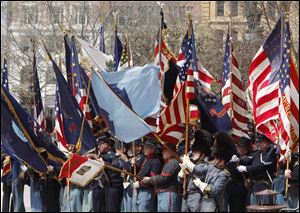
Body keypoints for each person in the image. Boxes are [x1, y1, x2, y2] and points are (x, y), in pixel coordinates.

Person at [181, 132, 235, 212]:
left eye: (216, 159)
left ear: (222, 159)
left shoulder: (224, 175)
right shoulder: (212, 167)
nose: (214, 160)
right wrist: (188, 164)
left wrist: (200, 184)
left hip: (214, 204)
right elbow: (198, 170)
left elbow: (214, 190)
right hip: (205, 203)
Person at [178, 129, 213, 212]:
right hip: (186, 194)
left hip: (198, 195)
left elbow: (200, 174)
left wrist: (190, 166)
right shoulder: (190, 163)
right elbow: (179, 180)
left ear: (203, 154)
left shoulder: (207, 165)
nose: (193, 154)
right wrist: (182, 172)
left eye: (196, 152)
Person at [237, 133, 277, 205]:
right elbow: (247, 159)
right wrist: (237, 159)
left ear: (266, 143)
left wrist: (246, 168)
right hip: (254, 186)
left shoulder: (271, 153)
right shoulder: (257, 153)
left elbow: (263, 165)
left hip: (264, 186)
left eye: (261, 142)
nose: (259, 144)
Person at [142, 143, 181, 212]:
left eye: (165, 150)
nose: (162, 152)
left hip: (168, 193)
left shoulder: (173, 162)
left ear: (171, 151)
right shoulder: (168, 162)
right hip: (163, 194)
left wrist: (149, 179)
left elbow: (163, 178)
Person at [132, 137, 163, 212]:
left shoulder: (156, 162)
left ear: (153, 149)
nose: (144, 149)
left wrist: (139, 184)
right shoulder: (145, 159)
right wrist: (133, 165)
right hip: (139, 189)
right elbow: (136, 173)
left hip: (147, 191)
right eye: (144, 147)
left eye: (147, 147)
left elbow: (152, 180)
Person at [225, 137, 252, 212]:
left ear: (245, 149)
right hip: (231, 187)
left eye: (240, 147)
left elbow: (246, 162)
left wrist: (238, 161)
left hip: (240, 187)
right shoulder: (234, 157)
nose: (238, 148)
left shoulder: (249, 157)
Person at [121, 139, 145, 212]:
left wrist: (126, 160)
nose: (131, 148)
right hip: (128, 184)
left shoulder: (141, 157)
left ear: (139, 147)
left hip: (135, 185)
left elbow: (133, 170)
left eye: (133, 146)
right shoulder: (133, 157)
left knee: (133, 208)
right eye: (131, 146)